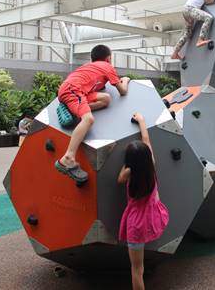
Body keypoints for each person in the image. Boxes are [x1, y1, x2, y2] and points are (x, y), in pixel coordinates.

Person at [56, 45, 130, 184]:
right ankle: (68, 157)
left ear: (92, 58)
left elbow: (98, 86)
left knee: (106, 99)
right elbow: (122, 91)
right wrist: (125, 80)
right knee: (88, 119)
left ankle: (74, 110)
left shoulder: (90, 67)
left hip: (74, 89)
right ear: (109, 59)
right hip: (73, 90)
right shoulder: (108, 67)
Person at [118, 113, 169, 290]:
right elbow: (146, 140)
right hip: (153, 217)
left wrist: (127, 164)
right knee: (140, 267)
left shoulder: (128, 173)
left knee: (137, 269)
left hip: (136, 225)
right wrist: (141, 121)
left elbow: (119, 179)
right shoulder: (151, 165)